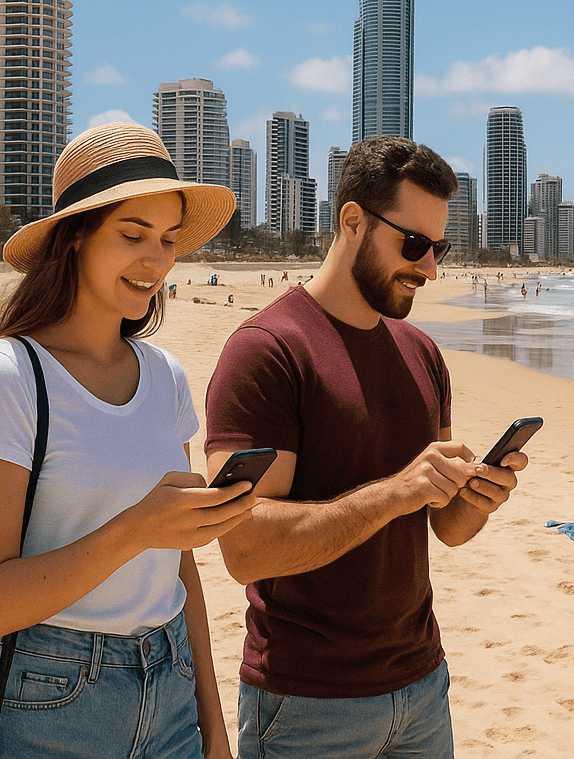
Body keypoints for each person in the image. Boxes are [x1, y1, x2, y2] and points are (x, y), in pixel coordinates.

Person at [205, 135, 529, 759]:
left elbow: (446, 528)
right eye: (414, 245)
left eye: (440, 248)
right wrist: (393, 493)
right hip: (307, 705)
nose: (431, 268)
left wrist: (478, 497)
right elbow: (243, 548)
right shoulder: (268, 351)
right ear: (352, 221)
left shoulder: (421, 353)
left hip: (422, 687)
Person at [0, 122, 253, 758]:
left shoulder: (165, 374)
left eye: (169, 240)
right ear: (75, 238)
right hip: (48, 699)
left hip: (171, 690)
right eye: (133, 235)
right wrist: (135, 528)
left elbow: (180, 569)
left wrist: (214, 732)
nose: (157, 260)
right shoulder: (8, 375)